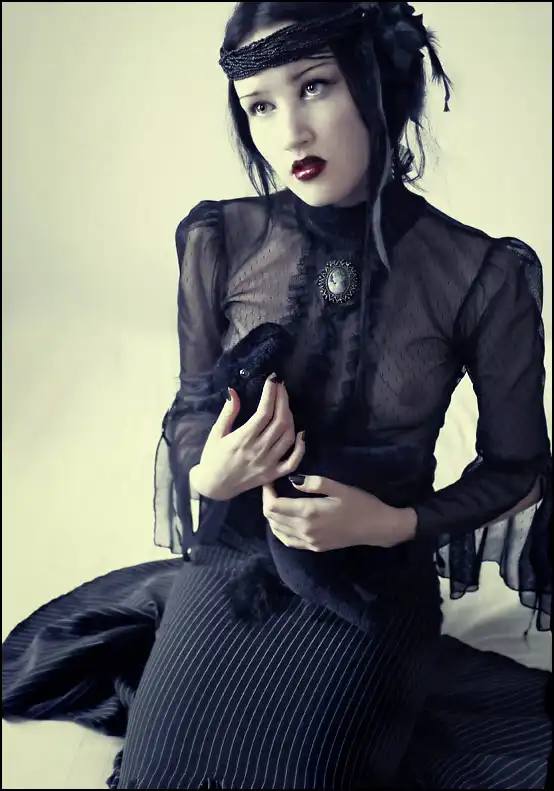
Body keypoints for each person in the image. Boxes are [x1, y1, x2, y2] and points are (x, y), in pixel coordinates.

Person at [2, 3, 552, 789]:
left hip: (370, 587)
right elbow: (192, 406)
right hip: (235, 559)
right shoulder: (220, 240)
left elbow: (517, 468)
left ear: (375, 82)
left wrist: (391, 522)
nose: (290, 132)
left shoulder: (482, 274)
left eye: (314, 87)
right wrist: (209, 471)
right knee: (163, 777)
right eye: (259, 105)